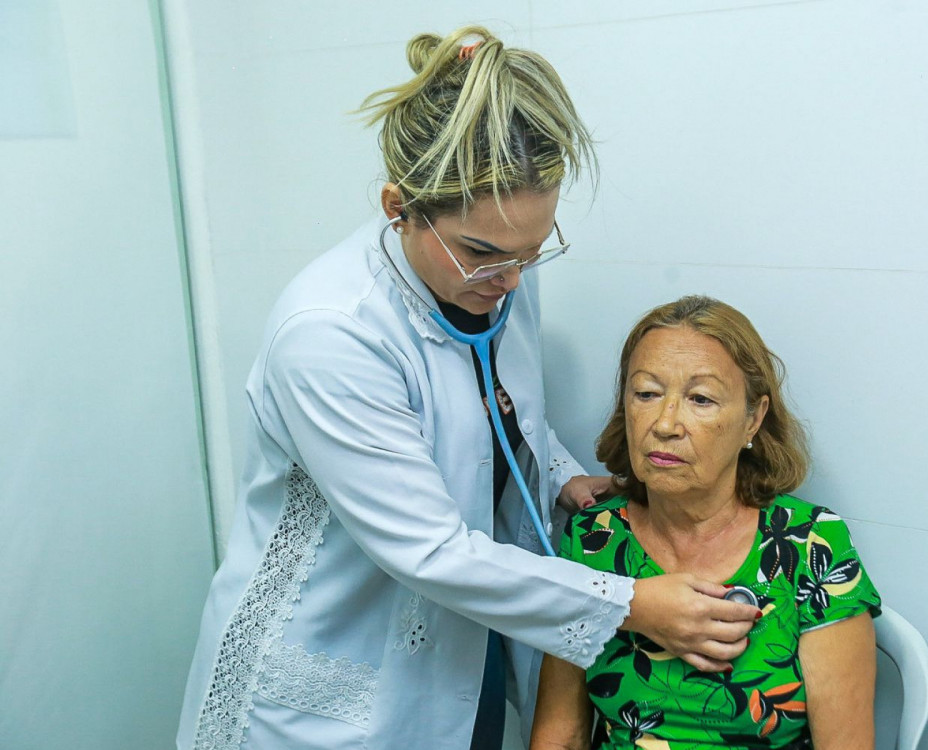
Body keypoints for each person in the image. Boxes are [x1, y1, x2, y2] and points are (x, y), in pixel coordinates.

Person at [176, 28, 758, 750]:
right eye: (485, 254)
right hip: (325, 683)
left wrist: (561, 474)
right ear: (399, 206)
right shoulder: (331, 333)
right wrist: (634, 602)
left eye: (532, 252)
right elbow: (430, 551)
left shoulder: (497, 269)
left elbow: (494, 405)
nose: (511, 281)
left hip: (461, 654)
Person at [531, 296, 882, 750]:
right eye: (647, 394)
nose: (665, 423)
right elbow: (560, 734)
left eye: (700, 399)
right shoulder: (595, 538)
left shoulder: (809, 545)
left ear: (753, 419)